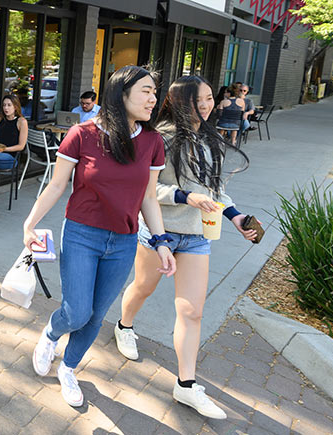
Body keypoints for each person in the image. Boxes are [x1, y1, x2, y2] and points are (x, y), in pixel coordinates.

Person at [21, 65, 173, 408]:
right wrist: (29, 224)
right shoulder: (82, 134)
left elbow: (149, 198)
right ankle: (51, 333)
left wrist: (161, 241)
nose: (153, 98)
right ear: (122, 94)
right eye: (145, 91)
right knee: (76, 312)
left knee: (95, 315)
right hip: (81, 235)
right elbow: (57, 185)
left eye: (154, 91)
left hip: (123, 242)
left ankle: (69, 368)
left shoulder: (152, 142)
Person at [116, 75, 257, 419]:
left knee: (192, 311)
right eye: (201, 99)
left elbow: (216, 190)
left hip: (196, 237)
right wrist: (184, 196)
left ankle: (186, 385)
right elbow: (146, 191)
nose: (208, 105)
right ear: (182, 102)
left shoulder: (212, 140)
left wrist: (237, 218)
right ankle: (125, 326)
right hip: (159, 231)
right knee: (143, 287)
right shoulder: (158, 138)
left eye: (211, 97)